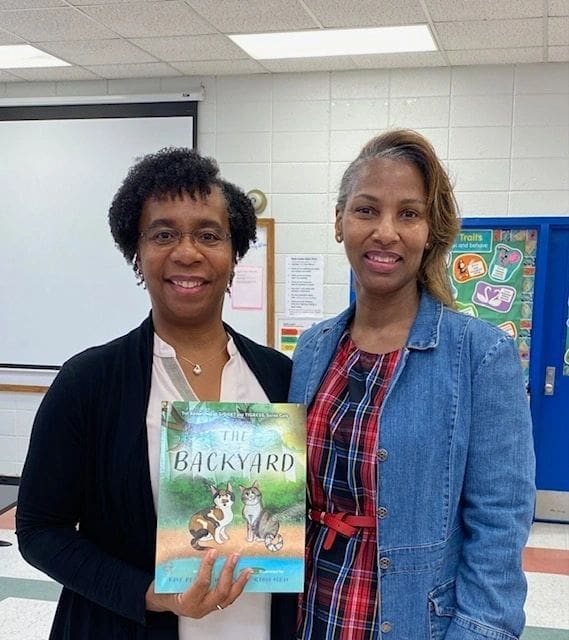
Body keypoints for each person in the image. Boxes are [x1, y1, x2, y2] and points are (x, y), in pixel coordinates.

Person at [16, 148, 296, 640]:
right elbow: (39, 531)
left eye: (209, 235)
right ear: (137, 253)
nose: (187, 252)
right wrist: (149, 594)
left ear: (234, 255)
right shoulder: (89, 382)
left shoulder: (280, 378)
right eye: (163, 234)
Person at [289, 130, 535, 640]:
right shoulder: (313, 349)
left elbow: (499, 525)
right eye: (366, 210)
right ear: (339, 223)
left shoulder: (480, 355)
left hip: (411, 621)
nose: (385, 232)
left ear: (431, 231)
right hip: (310, 612)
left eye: (408, 213)